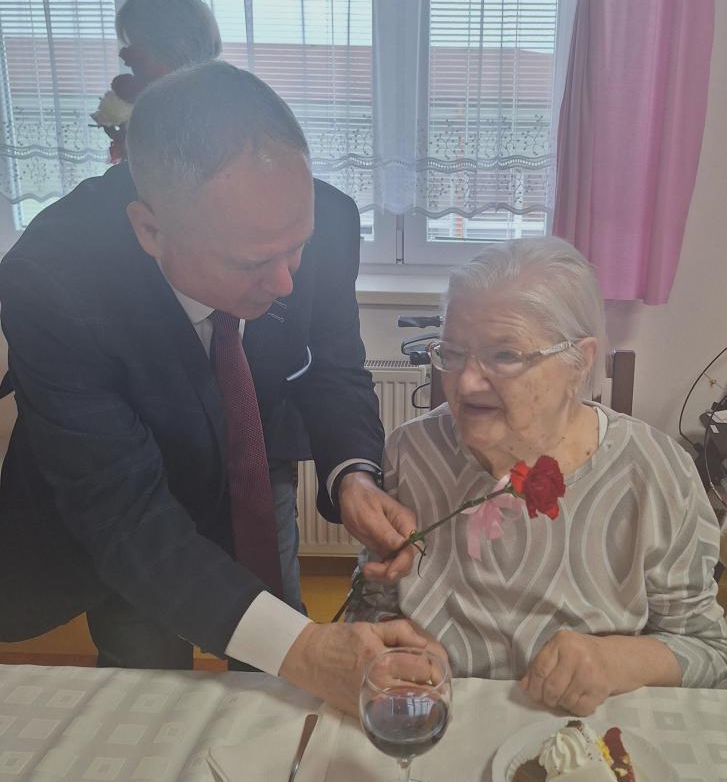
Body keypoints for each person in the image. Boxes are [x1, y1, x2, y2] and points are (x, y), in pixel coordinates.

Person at [0, 60, 440, 716]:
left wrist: (354, 476)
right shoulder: (53, 280)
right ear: (151, 230)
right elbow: (126, 519)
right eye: (252, 261)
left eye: (296, 248)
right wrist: (305, 650)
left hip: (254, 453)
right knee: (147, 681)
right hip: (126, 497)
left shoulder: (323, 220)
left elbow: (332, 367)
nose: (286, 283)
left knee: (278, 659)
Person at [349, 237, 727, 713]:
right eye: (453, 352)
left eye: (505, 355)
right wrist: (393, 646)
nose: (465, 382)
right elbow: (372, 603)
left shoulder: (653, 472)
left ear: (579, 362)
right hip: (440, 716)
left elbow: (710, 652)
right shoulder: (411, 452)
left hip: (586, 736)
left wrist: (619, 660)